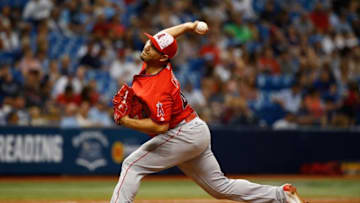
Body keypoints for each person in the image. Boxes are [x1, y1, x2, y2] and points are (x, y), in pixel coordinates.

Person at [110, 21, 305, 203]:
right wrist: (189, 26)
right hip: (194, 130)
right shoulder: (154, 62)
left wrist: (126, 121)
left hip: (182, 134)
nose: (147, 46)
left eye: (153, 47)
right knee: (219, 188)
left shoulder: (159, 86)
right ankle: (282, 195)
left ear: (162, 57)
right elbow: (164, 36)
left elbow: (160, 126)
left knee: (132, 165)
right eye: (150, 42)